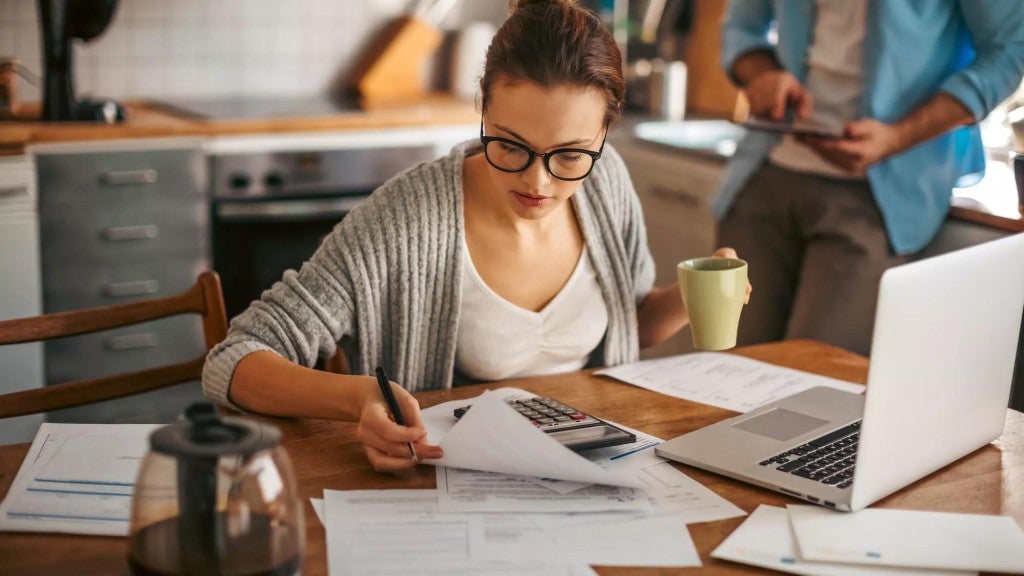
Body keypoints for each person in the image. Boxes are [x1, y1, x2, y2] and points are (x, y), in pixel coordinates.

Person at [202, 0, 749, 473]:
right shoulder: (410, 217)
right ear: (482, 107)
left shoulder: (606, 183)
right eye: (510, 145)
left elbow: (632, 322)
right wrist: (362, 397)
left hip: (599, 468)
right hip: (458, 493)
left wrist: (693, 295)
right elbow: (234, 360)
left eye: (570, 154)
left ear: (605, 133)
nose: (538, 182)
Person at [714, 0, 1024, 355]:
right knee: (726, 367)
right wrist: (762, 74)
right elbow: (739, 27)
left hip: (881, 197)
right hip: (762, 175)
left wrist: (897, 137)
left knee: (812, 384)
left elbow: (1011, 50)